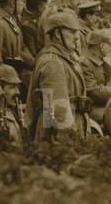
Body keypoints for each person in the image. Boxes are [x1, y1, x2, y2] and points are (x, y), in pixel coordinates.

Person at [26, 11, 93, 142]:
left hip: (70, 127)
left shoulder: (64, 58)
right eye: (72, 32)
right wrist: (69, 140)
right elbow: (58, 111)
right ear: (57, 34)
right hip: (59, 135)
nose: (76, 37)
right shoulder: (53, 62)